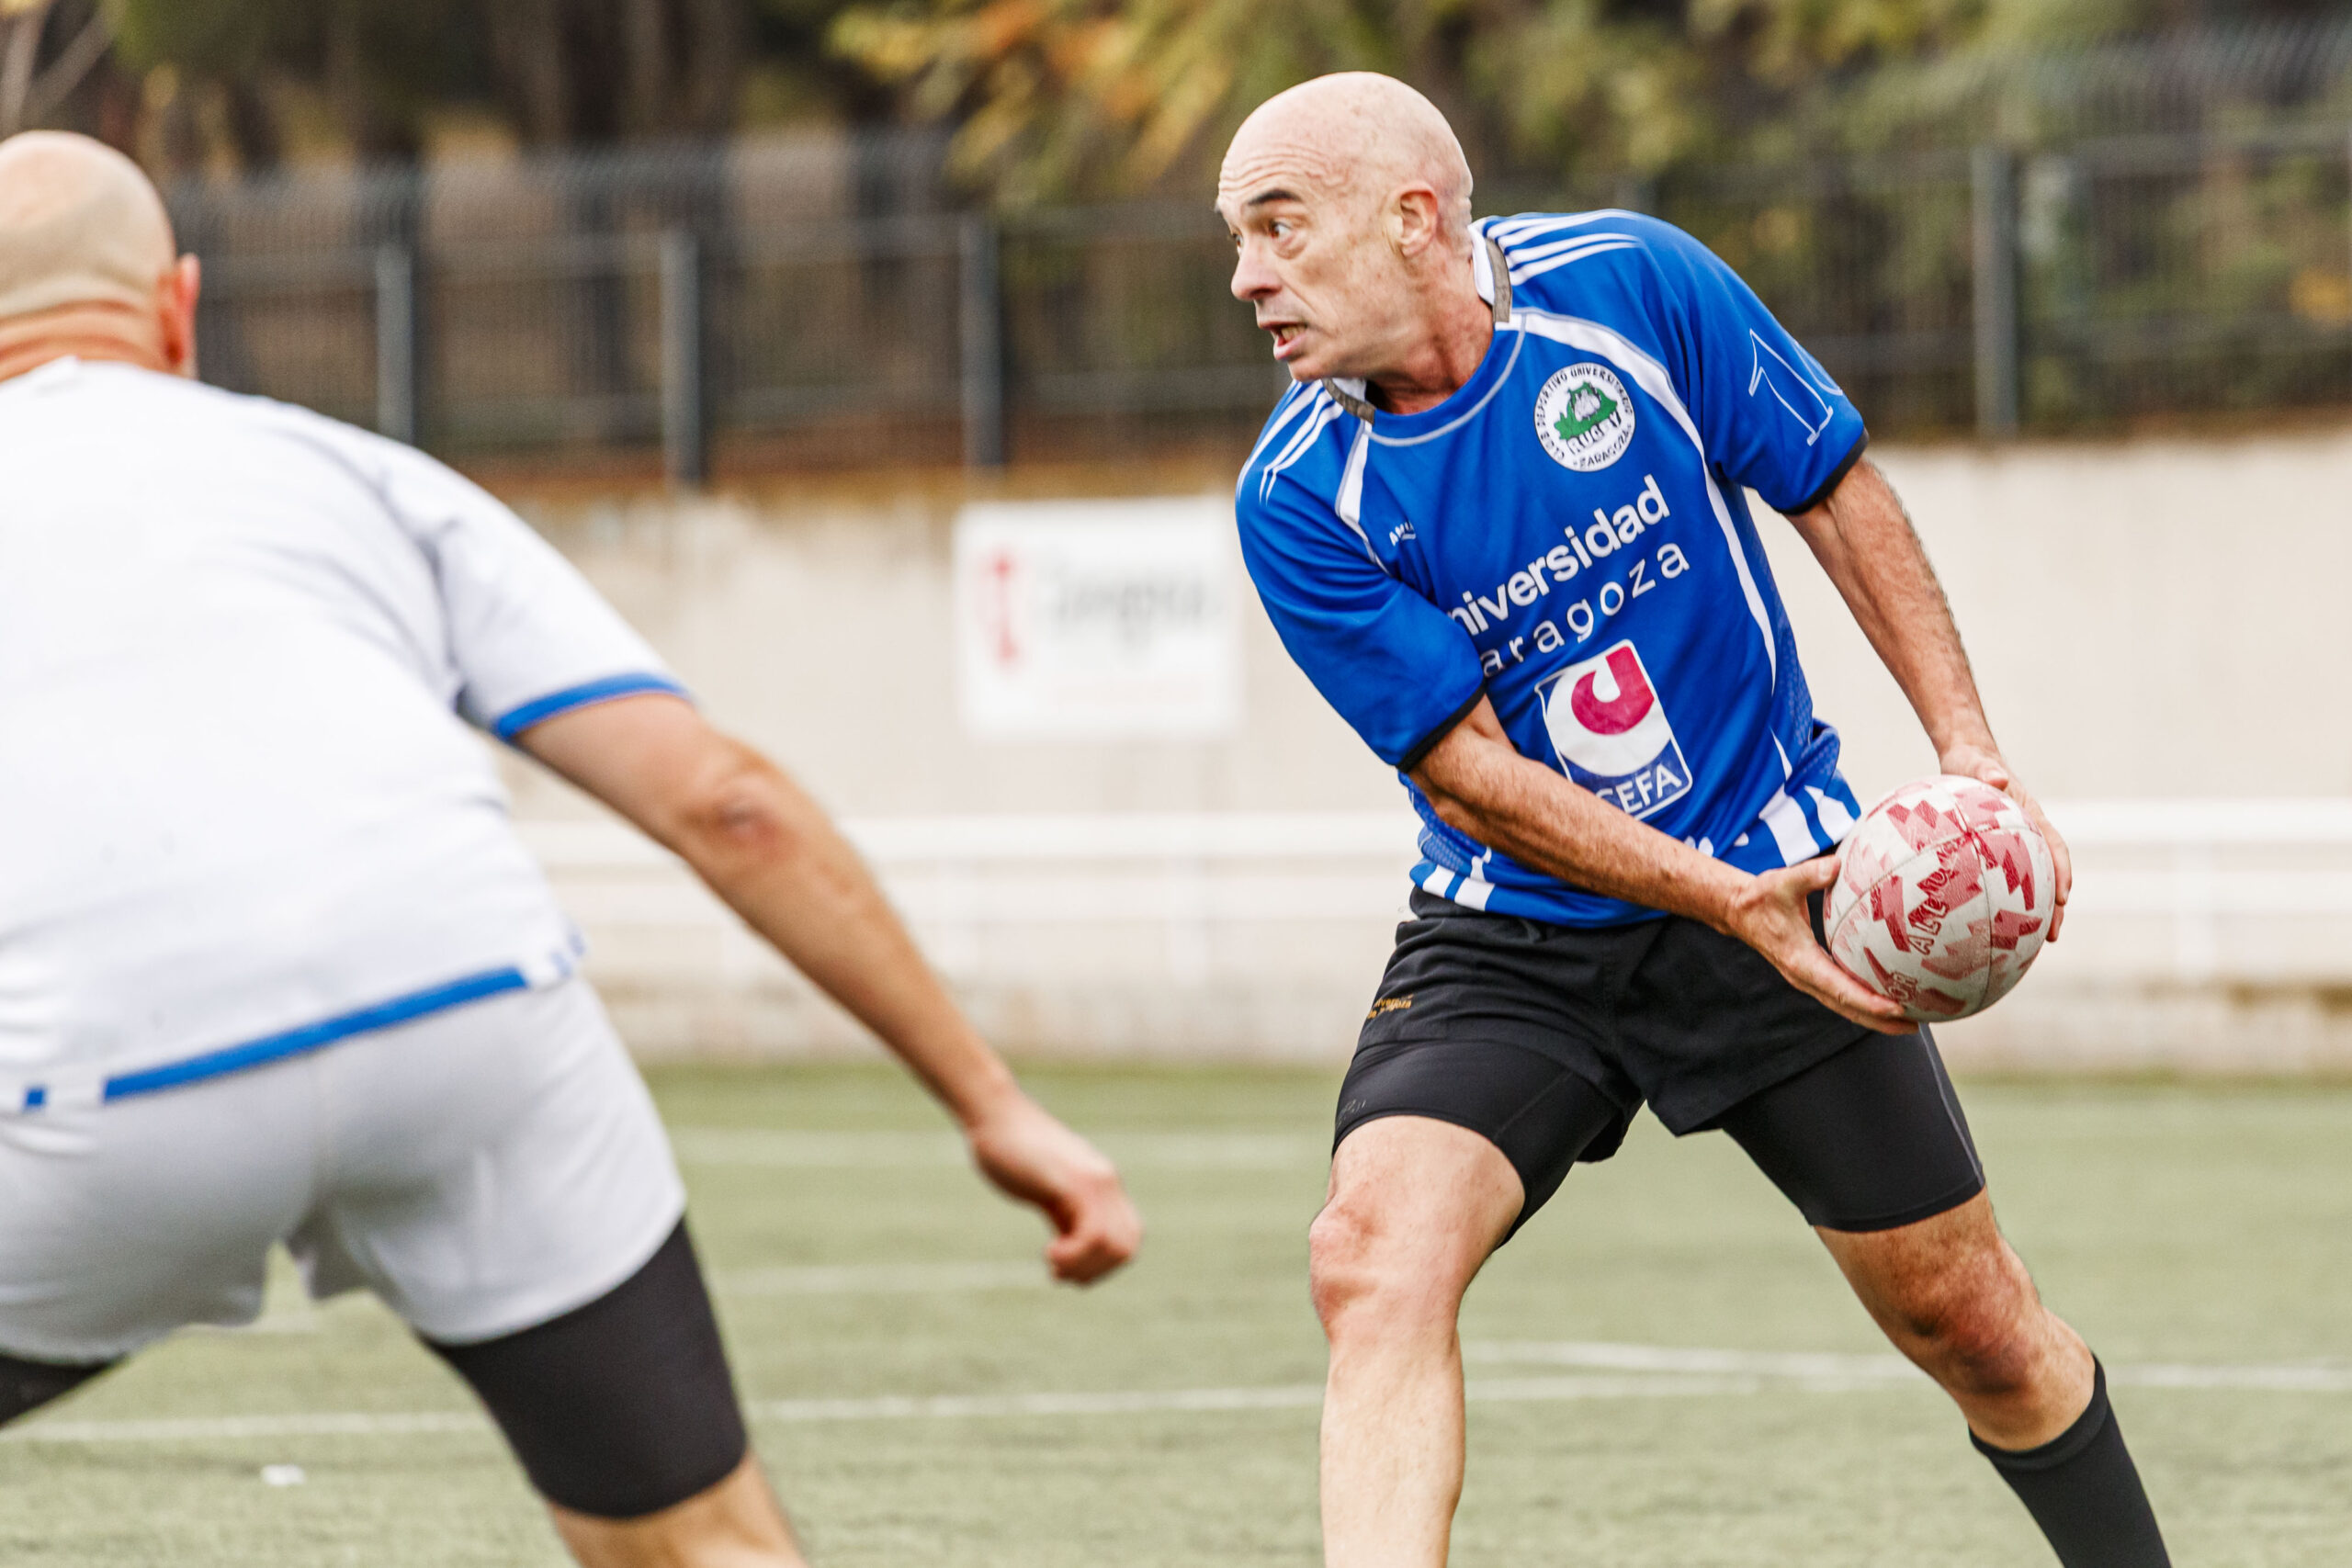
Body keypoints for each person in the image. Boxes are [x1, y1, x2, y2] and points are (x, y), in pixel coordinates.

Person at [0, 130, 1141, 1568]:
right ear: (179, 303)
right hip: (472, 1014)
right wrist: (992, 1102)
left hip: (107, 1080)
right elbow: (725, 802)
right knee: (704, 1543)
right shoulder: (356, 475)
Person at [1221, 75, 2168, 1568]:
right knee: (1370, 1259)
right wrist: (1715, 900)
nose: (1247, 277)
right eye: (1238, 238)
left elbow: (1833, 489)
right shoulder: (1297, 498)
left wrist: (1969, 752)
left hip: (1776, 868)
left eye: (1278, 228)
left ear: (1411, 219)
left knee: (1975, 1326)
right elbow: (1467, 775)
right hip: (1517, 932)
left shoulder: (1632, 286)